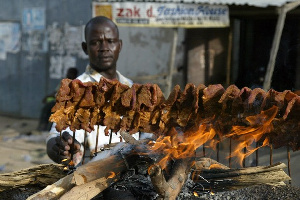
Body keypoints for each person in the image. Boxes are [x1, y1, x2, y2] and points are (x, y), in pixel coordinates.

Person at [46, 16, 141, 166]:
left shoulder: (132, 90)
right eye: (96, 42)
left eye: (110, 41)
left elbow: (149, 138)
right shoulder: (77, 89)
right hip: (88, 180)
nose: (104, 48)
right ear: (85, 48)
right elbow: (55, 139)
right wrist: (61, 147)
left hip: (132, 181)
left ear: (119, 45)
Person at [37, 67, 78, 131]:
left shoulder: (75, 83)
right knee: (46, 108)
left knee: (54, 112)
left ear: (74, 74)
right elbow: (55, 92)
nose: (68, 74)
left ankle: (50, 129)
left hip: (65, 104)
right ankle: (42, 126)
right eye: (68, 73)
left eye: (70, 73)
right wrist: (47, 97)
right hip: (57, 101)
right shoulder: (64, 81)